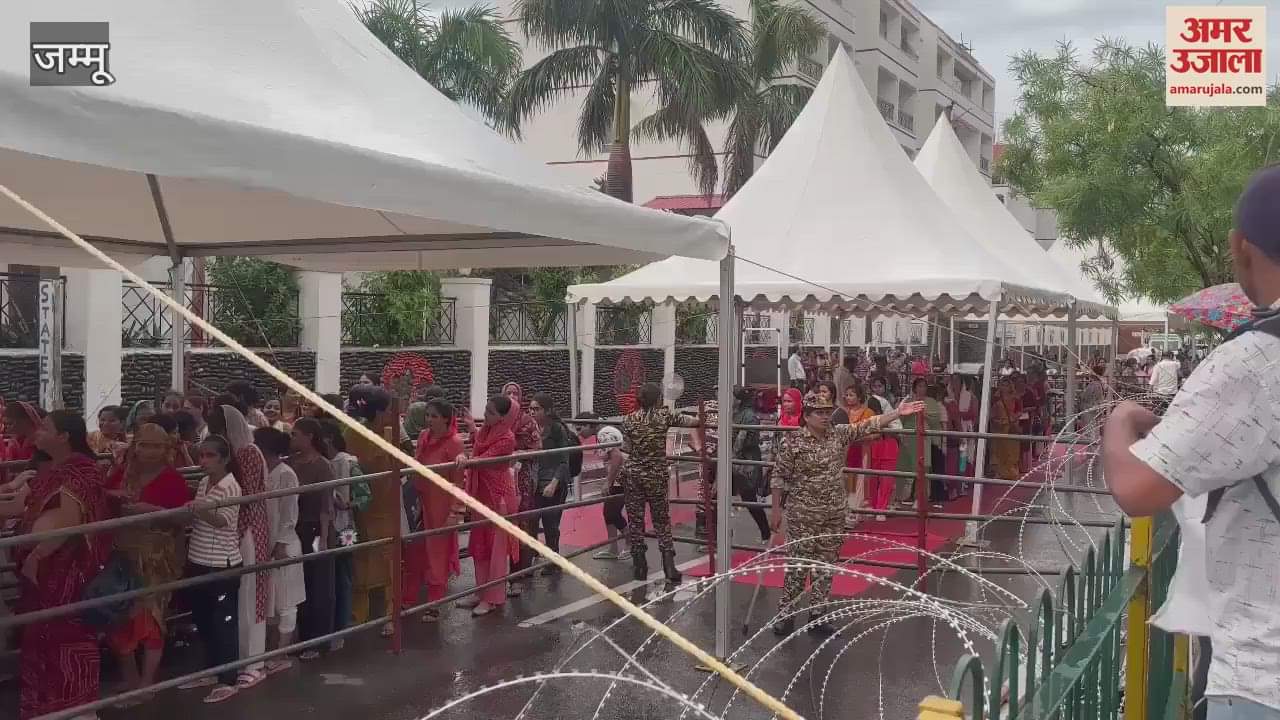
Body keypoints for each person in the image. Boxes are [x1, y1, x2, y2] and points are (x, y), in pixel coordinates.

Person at [1103, 166, 1280, 720]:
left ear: (1240, 247)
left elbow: (1138, 488)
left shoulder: (1254, 361)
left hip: (1262, 679)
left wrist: (1118, 422)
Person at [770, 392, 923, 636]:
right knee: (798, 566)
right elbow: (778, 476)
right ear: (806, 416)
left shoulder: (838, 434)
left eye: (827, 411)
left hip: (833, 513)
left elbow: (867, 425)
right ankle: (786, 615)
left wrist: (896, 413)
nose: (824, 416)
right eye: (818, 412)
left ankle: (818, 616)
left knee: (825, 566)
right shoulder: (793, 442)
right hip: (803, 515)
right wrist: (776, 510)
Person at [1, 411, 109, 719]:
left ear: (63, 436)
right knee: (41, 640)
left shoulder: (80, 473)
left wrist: (35, 555)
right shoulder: (55, 471)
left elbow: (64, 525)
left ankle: (76, 711)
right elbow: (25, 506)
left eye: (45, 428)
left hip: (65, 577)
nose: (38, 432)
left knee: (66, 639)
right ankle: (45, 708)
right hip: (41, 578)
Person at [106, 418, 192, 706]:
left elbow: (184, 517)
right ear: (135, 446)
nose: (150, 452)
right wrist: (114, 496)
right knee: (119, 617)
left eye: (157, 446)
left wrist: (151, 510)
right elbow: (101, 496)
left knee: (152, 620)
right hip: (122, 555)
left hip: (157, 559)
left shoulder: (172, 478)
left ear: (166, 448)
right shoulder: (122, 472)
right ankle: (130, 679)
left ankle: (146, 684)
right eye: (144, 445)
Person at [206, 402, 272, 689]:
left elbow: (243, 491)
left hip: (248, 528)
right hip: (234, 528)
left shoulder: (246, 452)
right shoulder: (237, 452)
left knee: (250, 595)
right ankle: (234, 659)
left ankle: (253, 661)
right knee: (235, 596)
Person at [181, 434, 243, 704]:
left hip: (222, 563)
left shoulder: (232, 487)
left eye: (209, 456)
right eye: (201, 456)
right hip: (198, 558)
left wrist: (199, 509)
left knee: (223, 623)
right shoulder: (205, 482)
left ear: (224, 459)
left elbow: (223, 522)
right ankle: (211, 669)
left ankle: (228, 678)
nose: (203, 461)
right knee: (203, 620)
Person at [620, 382, 701, 585]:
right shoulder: (664, 416)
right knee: (661, 521)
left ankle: (640, 566)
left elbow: (626, 449)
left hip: (634, 474)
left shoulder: (629, 419)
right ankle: (669, 566)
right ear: (658, 399)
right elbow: (694, 422)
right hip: (656, 475)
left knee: (636, 521)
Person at [457, 395, 520, 617]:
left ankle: (492, 598)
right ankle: (481, 591)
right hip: (482, 496)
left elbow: (485, 458)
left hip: (498, 498)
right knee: (479, 545)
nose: (486, 415)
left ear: (503, 418)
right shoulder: (485, 432)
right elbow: (479, 447)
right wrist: (472, 428)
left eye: (491, 412)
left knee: (495, 549)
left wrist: (465, 460)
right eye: (486, 410)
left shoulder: (508, 438)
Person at [252, 426, 305, 676]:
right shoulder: (262, 473)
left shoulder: (286, 474)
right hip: (265, 542)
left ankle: (282, 652)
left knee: (286, 600)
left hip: (284, 543)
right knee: (271, 599)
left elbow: (289, 512)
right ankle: (274, 648)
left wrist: (282, 542)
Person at [409, 398, 465, 621]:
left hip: (441, 505)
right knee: (415, 551)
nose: (429, 420)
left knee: (437, 554)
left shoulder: (455, 443)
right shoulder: (424, 436)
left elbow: (459, 482)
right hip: (420, 500)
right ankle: (409, 598)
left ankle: (434, 604)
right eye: (428, 415)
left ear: (445, 418)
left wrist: (454, 513)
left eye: (434, 416)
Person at [287, 418, 336, 660]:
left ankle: (318, 641)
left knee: (318, 585)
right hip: (298, 528)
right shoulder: (293, 463)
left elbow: (326, 505)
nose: (292, 439)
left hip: (318, 529)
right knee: (301, 584)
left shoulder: (322, 466)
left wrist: (324, 538)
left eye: (295, 434)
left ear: (310, 437)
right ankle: (303, 638)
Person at [320, 419, 363, 643]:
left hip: (346, 526)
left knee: (343, 573)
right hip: (325, 525)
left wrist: (348, 504)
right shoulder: (321, 462)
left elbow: (365, 494)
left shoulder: (348, 462)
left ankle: (343, 622)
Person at [500, 382, 541, 597]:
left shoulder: (527, 421)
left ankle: (517, 576)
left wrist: (518, 455)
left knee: (519, 527)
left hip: (521, 482)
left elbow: (537, 448)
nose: (513, 395)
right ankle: (492, 583)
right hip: (498, 480)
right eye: (509, 392)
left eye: (516, 392)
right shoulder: (496, 419)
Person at [528, 392, 572, 573]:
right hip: (534, 482)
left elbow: (564, 459)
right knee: (530, 523)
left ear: (547, 411)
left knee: (550, 524)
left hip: (553, 483)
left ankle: (554, 562)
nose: (532, 412)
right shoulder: (530, 429)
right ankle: (527, 563)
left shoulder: (556, 429)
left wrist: (554, 483)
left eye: (536, 409)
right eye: (530, 408)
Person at [895, 377, 942, 505]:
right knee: (904, 468)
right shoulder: (908, 401)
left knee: (923, 469)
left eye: (924, 386)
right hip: (908, 438)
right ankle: (898, 498)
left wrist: (923, 412)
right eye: (919, 386)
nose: (922, 389)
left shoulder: (931, 402)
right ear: (914, 388)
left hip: (924, 439)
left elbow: (935, 421)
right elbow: (900, 420)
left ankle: (919, 498)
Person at [833, 383, 874, 523]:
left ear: (860, 397)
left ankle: (856, 511)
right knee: (846, 479)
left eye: (852, 395)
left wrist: (856, 437)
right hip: (845, 451)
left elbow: (875, 434)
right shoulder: (843, 413)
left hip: (862, 451)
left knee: (860, 480)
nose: (848, 398)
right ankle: (847, 511)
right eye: (847, 395)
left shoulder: (868, 413)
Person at [591, 425, 628, 560]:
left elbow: (617, 456)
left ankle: (631, 544)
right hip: (617, 479)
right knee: (608, 513)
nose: (580, 432)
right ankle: (613, 548)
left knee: (613, 513)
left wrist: (608, 482)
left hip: (622, 479)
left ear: (589, 425)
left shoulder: (604, 434)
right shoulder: (601, 436)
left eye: (580, 428)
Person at [990, 377, 1022, 481]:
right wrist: (995, 421)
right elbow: (992, 413)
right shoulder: (996, 398)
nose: (1004, 387)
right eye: (1002, 385)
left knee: (1011, 451)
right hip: (998, 427)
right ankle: (999, 472)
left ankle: (1011, 472)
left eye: (1006, 385)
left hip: (1011, 426)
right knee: (998, 450)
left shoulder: (1015, 398)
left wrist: (1014, 418)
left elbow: (1020, 411)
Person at [1148, 349, 1182, 414]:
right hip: (1172, 393)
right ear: (1171, 356)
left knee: (1160, 411)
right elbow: (1180, 374)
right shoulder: (1175, 364)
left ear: (1162, 356)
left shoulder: (1158, 365)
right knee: (1171, 412)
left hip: (1160, 393)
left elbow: (1153, 380)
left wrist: (1149, 392)